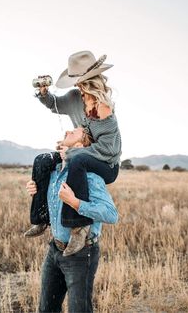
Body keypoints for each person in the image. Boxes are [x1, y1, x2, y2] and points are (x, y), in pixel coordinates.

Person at [25, 50, 122, 256]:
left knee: (76, 160)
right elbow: (54, 104)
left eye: (81, 81)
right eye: (76, 81)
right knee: (42, 160)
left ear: (91, 81)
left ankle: (78, 228)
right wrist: (44, 93)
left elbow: (110, 150)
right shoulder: (74, 98)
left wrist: (75, 152)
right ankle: (40, 217)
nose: (77, 85)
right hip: (80, 153)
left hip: (107, 164)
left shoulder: (103, 108)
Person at [26, 126, 119, 313]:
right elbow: (53, 204)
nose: (67, 131)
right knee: (46, 309)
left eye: (74, 131)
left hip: (81, 254)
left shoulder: (90, 177)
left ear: (79, 144)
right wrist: (34, 191)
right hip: (55, 249)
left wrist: (76, 203)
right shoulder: (53, 173)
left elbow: (111, 214)